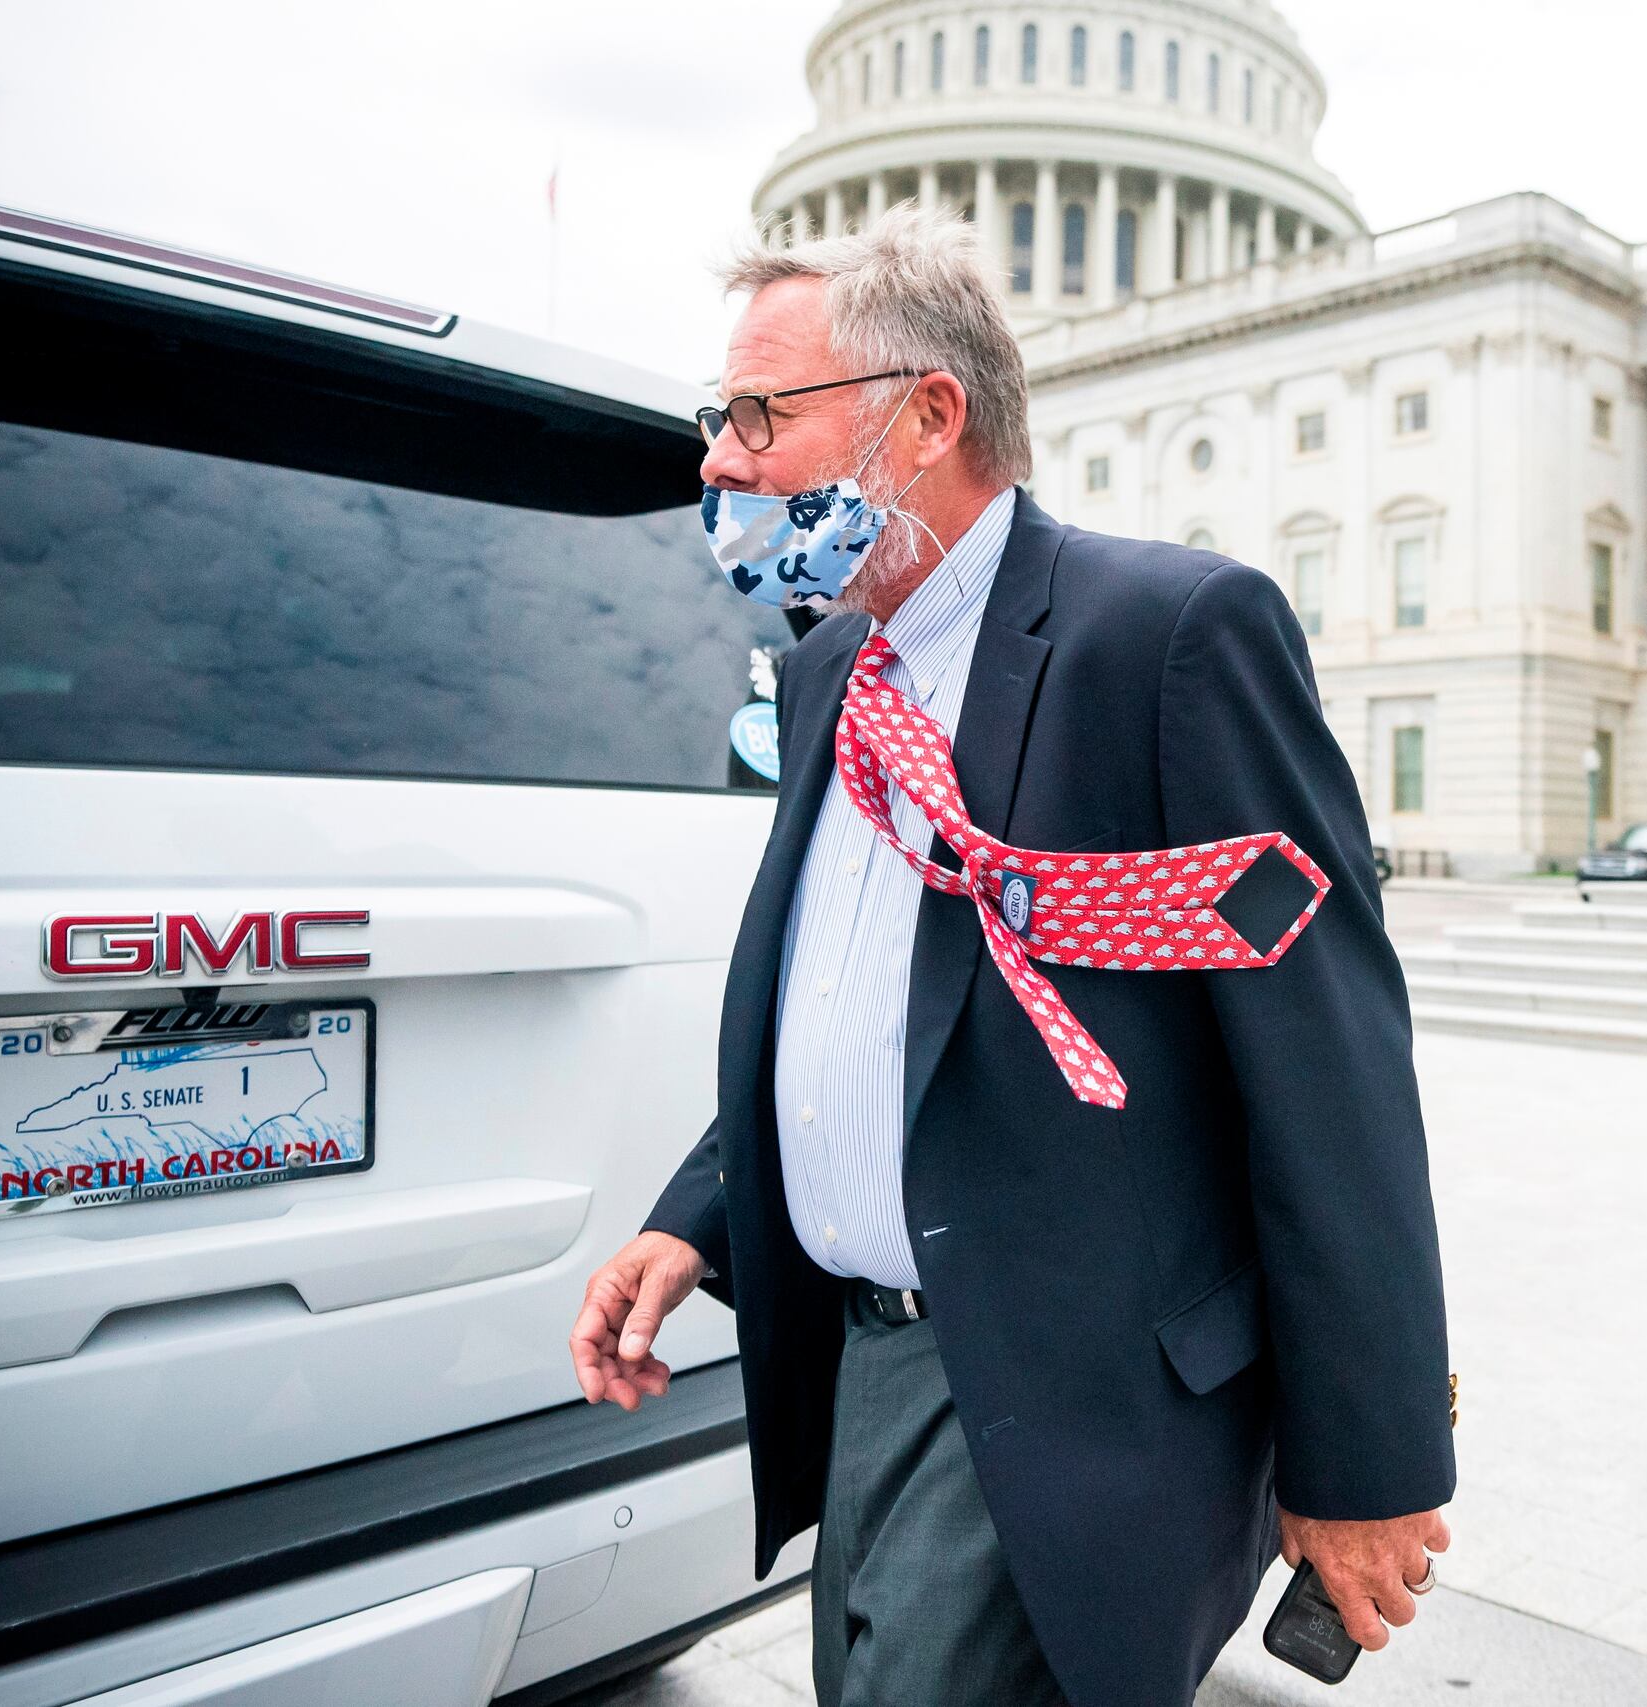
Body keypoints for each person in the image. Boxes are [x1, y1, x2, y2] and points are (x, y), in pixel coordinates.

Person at [568, 205, 1455, 1707]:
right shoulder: (833, 670)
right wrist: (699, 1216)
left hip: (1059, 1395)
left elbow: (1330, 1059)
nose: (720, 459)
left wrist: (1366, 1457)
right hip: (861, 1369)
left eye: (759, 416)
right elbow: (849, 1001)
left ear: (925, 416)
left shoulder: (1165, 636)